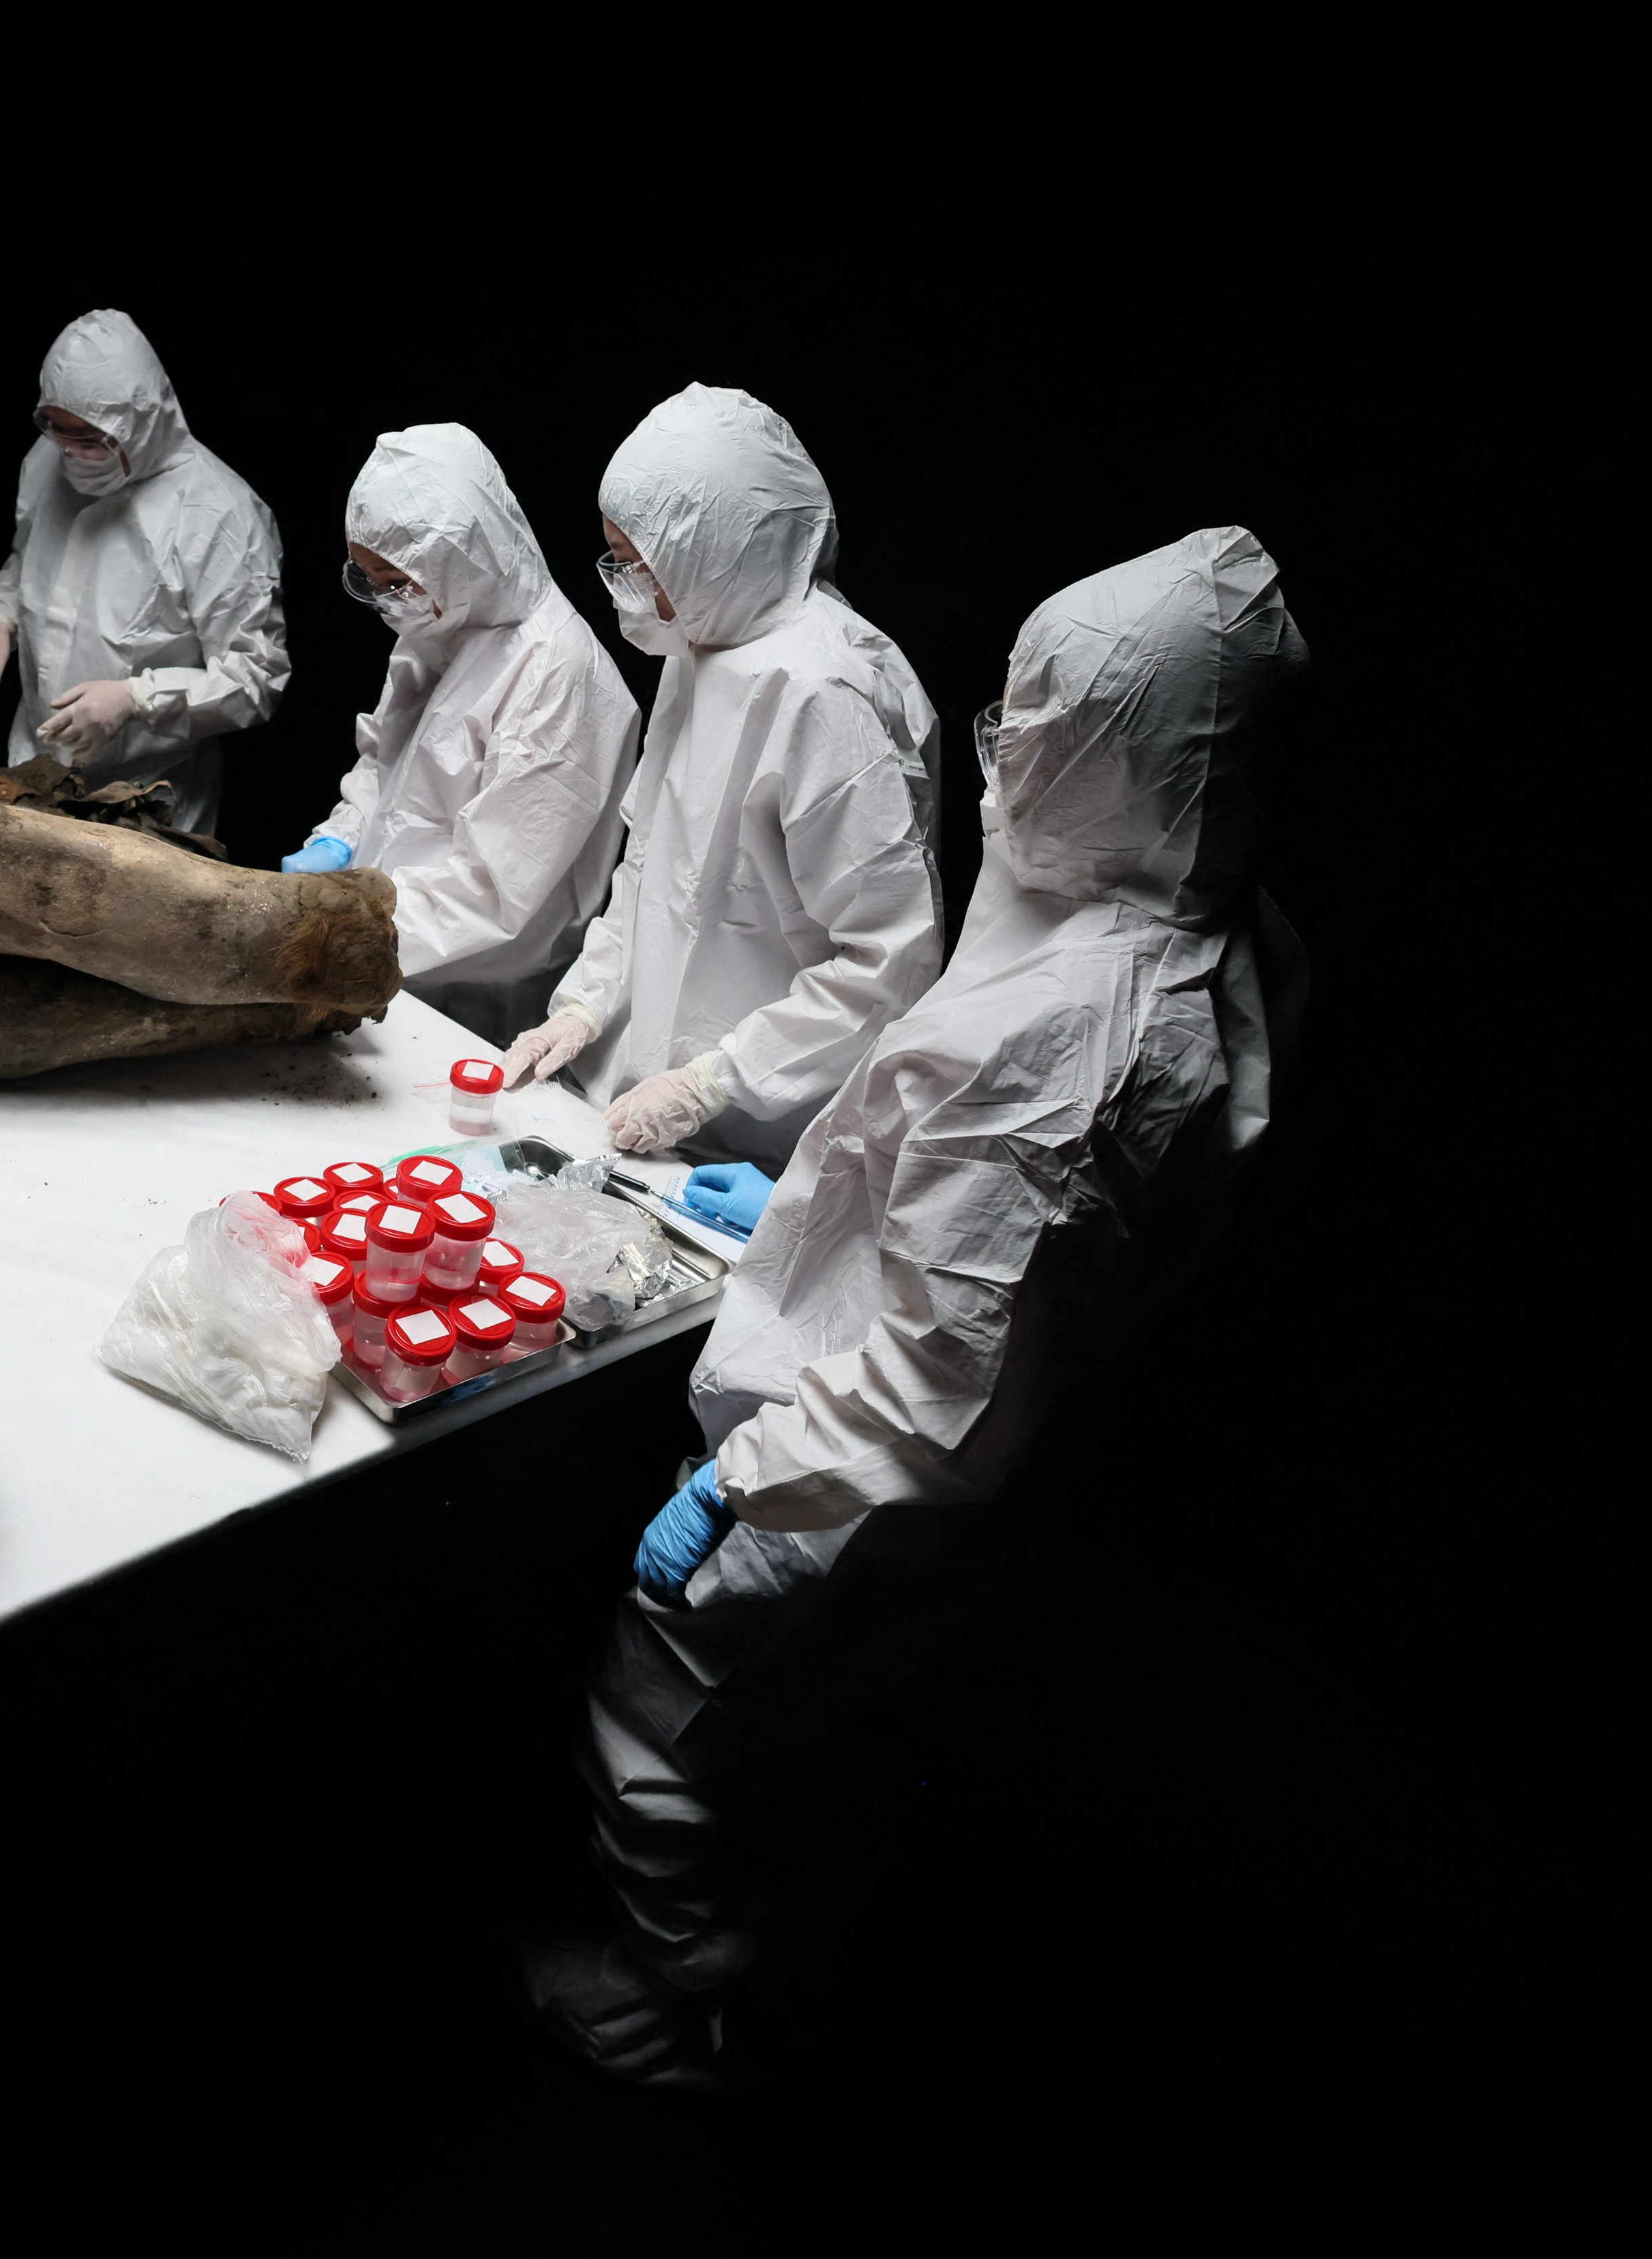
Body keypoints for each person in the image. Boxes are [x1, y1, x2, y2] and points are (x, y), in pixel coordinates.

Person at [537, 526, 1312, 2089]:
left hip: (851, 1469)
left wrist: (737, 1483)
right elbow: (1000, 1233)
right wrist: (810, 1212)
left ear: (1126, 750)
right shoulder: (1181, 921)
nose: (1002, 744)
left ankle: (683, 1998)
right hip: (972, 1456)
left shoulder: (1070, 1035)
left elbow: (940, 1379)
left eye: (1041, 716)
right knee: (842, 1729)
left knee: (659, 1728)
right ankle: (792, 1966)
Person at [499, 386, 944, 1166]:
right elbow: (649, 872)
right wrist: (585, 1002)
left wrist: (715, 1080)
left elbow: (886, 962)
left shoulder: (821, 692)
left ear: (720, 548)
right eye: (618, 558)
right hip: (648, 1108)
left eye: (639, 564)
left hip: (767, 1126)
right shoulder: (699, 642)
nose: (623, 585)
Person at [279, 426, 639, 1043]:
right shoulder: (436, 627)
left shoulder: (557, 672)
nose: (386, 602)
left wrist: (340, 930)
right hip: (379, 954)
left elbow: (494, 889)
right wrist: (341, 840)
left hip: (471, 991)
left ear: (460, 562)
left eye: (395, 581)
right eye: (368, 578)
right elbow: (382, 768)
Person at [0, 311, 287, 835]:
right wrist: (0, 618)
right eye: (57, 431)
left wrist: (136, 699)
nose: (71, 453)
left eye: (91, 438)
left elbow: (255, 677)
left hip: (148, 798)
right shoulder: (48, 463)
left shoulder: (217, 514)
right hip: (33, 774)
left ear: (142, 421)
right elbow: (28, 558)